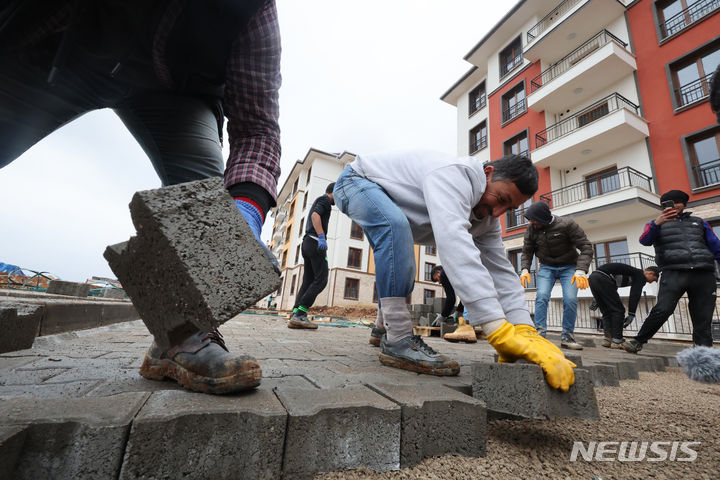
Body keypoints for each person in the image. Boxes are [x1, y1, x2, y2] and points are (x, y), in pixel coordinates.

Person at [0, 0, 282, 394]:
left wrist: (242, 217)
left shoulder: (254, 12)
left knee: (203, 201)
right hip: (59, 50)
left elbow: (257, 131)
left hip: (173, 94)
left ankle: (181, 335)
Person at [334, 151, 577, 391]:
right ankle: (397, 339)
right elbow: (455, 246)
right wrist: (498, 331)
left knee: (398, 247)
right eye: (501, 199)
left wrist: (524, 329)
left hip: (388, 200)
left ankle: (382, 328)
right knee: (394, 229)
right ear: (488, 174)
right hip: (356, 181)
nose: (498, 213)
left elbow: (501, 271)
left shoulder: (487, 220)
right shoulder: (454, 177)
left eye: (509, 208)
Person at [625, 190, 720, 353]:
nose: (674, 205)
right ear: (663, 206)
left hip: (703, 272)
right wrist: (657, 223)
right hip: (673, 272)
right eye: (669, 203)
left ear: (684, 204)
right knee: (663, 309)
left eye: (678, 201)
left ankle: (703, 356)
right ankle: (638, 340)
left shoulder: (699, 222)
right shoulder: (655, 224)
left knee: (702, 317)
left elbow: (716, 246)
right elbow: (644, 240)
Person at [520, 201, 593, 350]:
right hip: (547, 267)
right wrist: (525, 269)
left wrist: (580, 270)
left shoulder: (567, 224)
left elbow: (586, 247)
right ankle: (539, 334)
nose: (531, 222)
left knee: (570, 299)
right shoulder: (532, 228)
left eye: (534, 219)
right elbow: (527, 251)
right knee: (541, 296)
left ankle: (567, 337)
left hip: (569, 267)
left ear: (544, 218)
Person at [289, 183, 335, 329]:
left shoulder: (319, 200)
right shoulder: (325, 201)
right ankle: (301, 314)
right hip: (315, 242)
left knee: (308, 280)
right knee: (321, 279)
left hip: (307, 242)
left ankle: (295, 313)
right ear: (333, 191)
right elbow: (316, 216)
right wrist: (321, 236)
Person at [588, 263, 659, 348]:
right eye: (654, 279)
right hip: (603, 278)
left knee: (607, 311)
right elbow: (635, 294)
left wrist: (597, 299)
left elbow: (613, 284)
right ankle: (617, 340)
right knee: (619, 311)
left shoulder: (630, 273)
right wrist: (631, 313)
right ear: (650, 273)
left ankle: (608, 339)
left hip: (593, 277)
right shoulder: (640, 275)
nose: (651, 282)